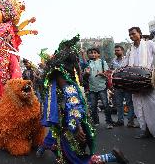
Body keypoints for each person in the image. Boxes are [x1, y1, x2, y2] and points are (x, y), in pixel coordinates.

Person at [37, 35, 129, 164]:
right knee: (67, 154)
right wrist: (76, 125)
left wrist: (77, 126)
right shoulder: (61, 73)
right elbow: (68, 99)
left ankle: (111, 157)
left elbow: (72, 100)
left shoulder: (60, 73)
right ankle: (45, 147)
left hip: (69, 123)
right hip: (67, 122)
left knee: (73, 159)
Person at [123, 27, 155, 139]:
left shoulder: (149, 44)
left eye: (133, 33)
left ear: (139, 33)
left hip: (147, 80)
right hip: (134, 83)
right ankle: (145, 130)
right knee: (138, 107)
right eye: (129, 34)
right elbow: (125, 65)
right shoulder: (130, 49)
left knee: (152, 106)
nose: (131, 36)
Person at [83, 48, 114, 129]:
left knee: (106, 105)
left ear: (98, 54)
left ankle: (109, 122)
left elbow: (108, 74)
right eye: (91, 53)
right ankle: (96, 122)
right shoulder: (88, 63)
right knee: (93, 106)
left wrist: (102, 74)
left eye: (95, 53)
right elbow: (84, 76)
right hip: (92, 87)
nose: (93, 54)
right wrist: (86, 73)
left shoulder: (103, 63)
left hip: (102, 87)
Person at [110, 45, 136, 128]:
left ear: (122, 51)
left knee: (129, 103)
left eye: (118, 50)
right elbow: (111, 72)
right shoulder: (113, 61)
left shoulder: (127, 59)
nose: (116, 52)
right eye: (115, 50)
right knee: (119, 104)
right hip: (117, 85)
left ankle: (130, 121)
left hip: (126, 85)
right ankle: (120, 120)